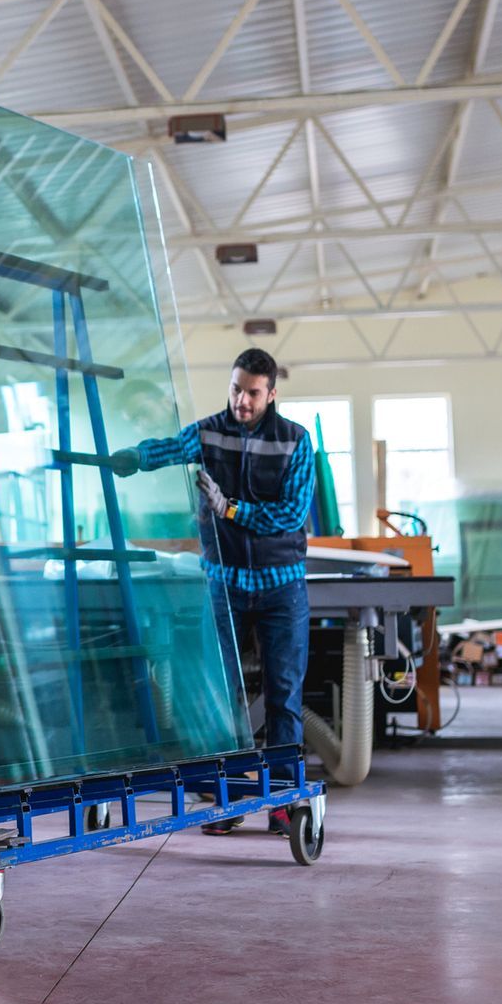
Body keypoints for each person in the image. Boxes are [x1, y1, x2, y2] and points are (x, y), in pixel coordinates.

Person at [111, 347, 314, 837]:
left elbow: (290, 514)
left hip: (280, 587)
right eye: (236, 388)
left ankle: (284, 801)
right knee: (218, 694)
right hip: (223, 585)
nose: (242, 401)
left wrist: (230, 510)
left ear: (272, 394)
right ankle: (226, 798)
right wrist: (135, 457)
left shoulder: (295, 441)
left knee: (283, 696)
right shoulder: (209, 431)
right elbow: (171, 447)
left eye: (253, 393)